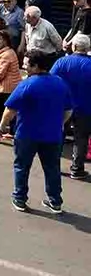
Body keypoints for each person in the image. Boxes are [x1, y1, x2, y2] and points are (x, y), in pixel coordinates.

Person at [0, 50, 73, 214]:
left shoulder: (27, 84)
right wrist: (60, 124)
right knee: (52, 168)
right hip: (52, 135)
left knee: (22, 167)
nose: (24, 67)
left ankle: (20, 198)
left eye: (27, 64)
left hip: (27, 134)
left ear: (36, 66)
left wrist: (2, 126)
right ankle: (55, 201)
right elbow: (68, 110)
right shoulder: (60, 83)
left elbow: (10, 109)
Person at [50, 34, 91, 179]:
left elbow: (51, 81)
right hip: (86, 107)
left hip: (63, 105)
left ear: (74, 46)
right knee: (81, 138)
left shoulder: (62, 62)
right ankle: (77, 169)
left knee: (58, 134)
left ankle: (54, 166)